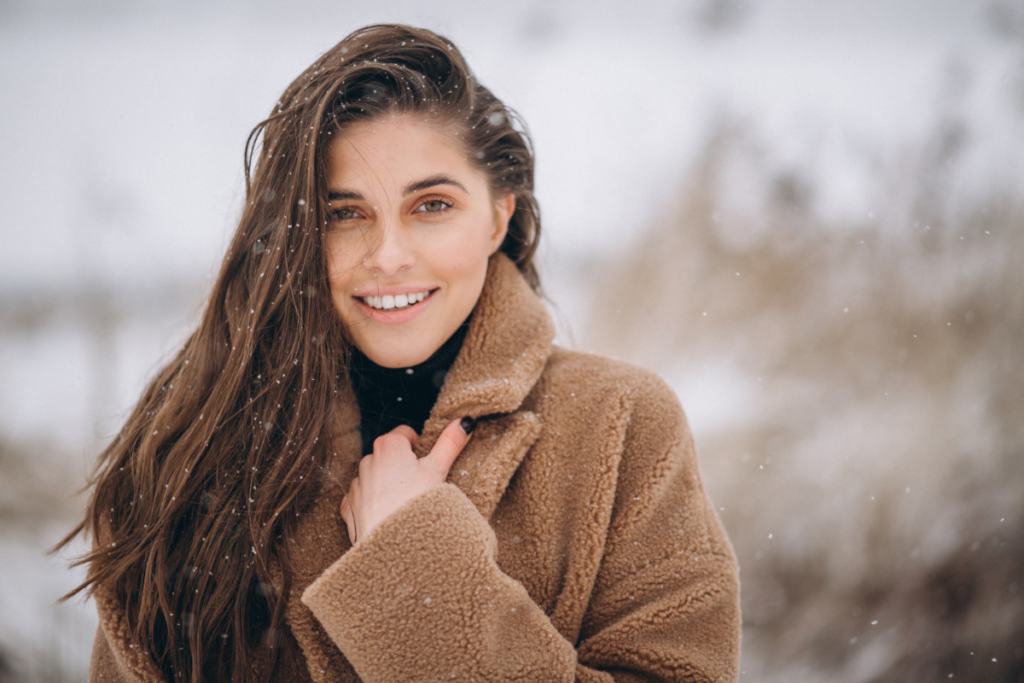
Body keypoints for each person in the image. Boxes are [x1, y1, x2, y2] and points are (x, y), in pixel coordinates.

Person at [61, 23, 740, 683]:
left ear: (500, 213)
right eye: (345, 213)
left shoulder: (620, 425)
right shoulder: (201, 440)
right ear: (299, 229)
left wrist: (414, 563)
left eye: (432, 205)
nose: (388, 255)